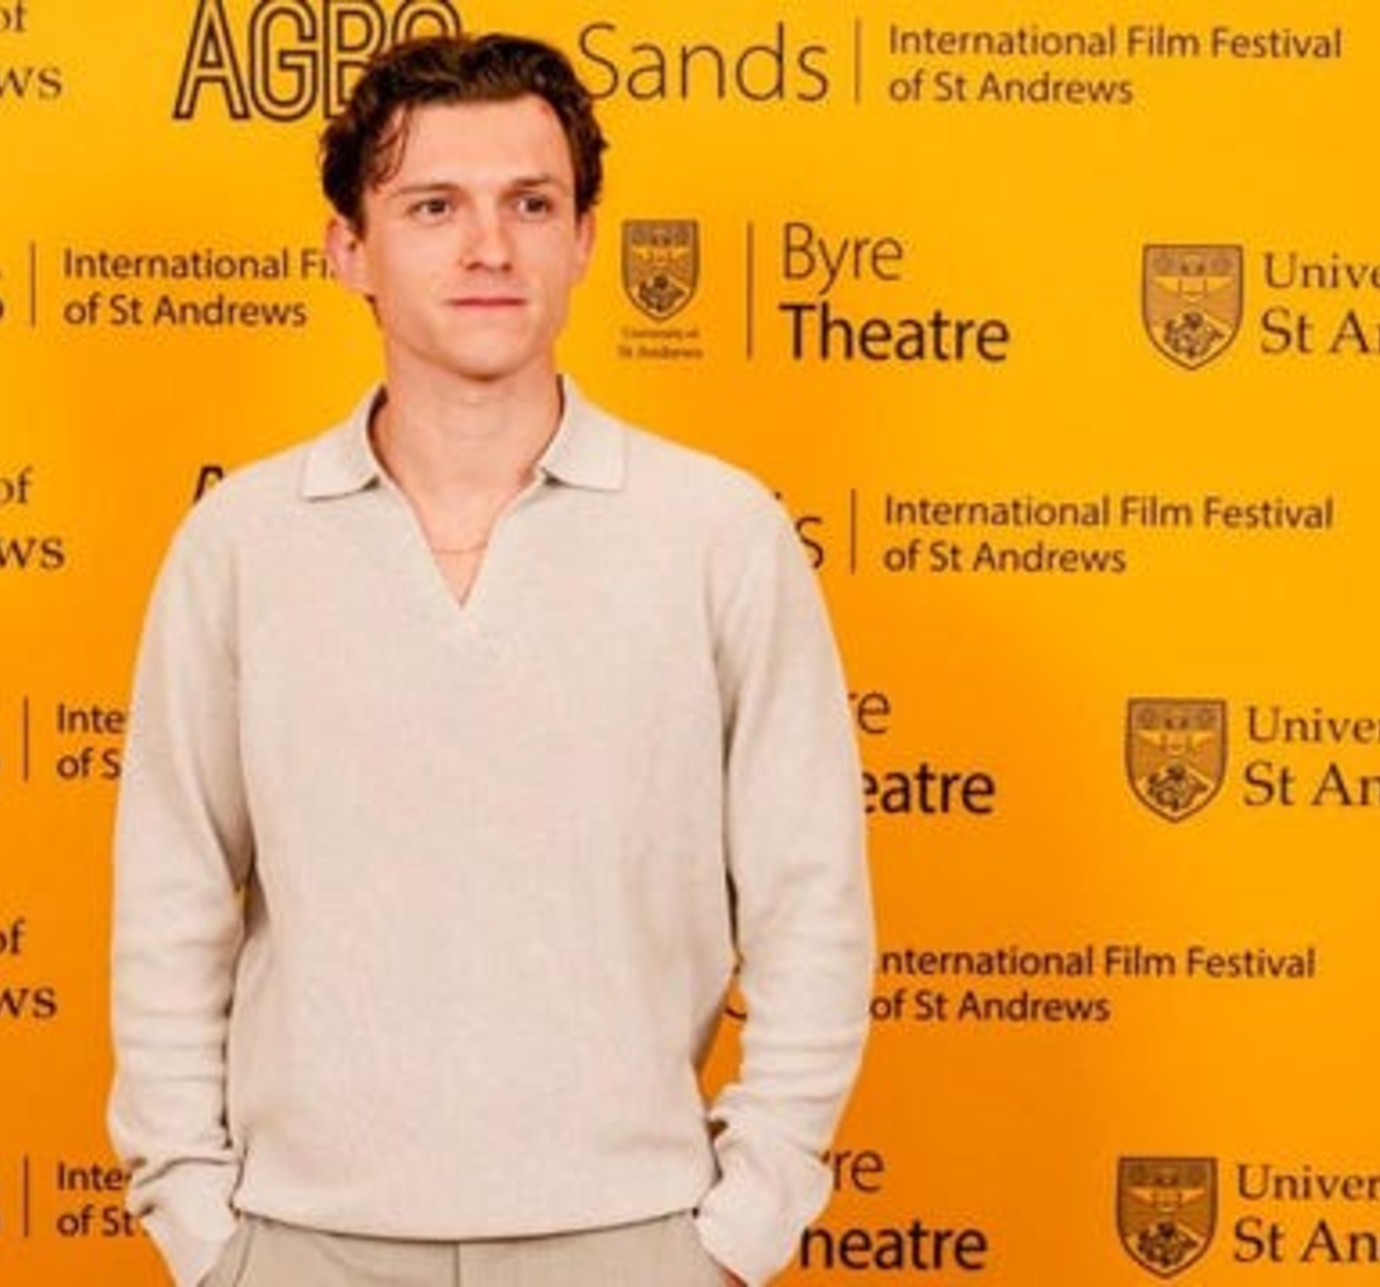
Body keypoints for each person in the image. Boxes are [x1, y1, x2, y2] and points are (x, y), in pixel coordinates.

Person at [108, 32, 873, 1287]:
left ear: (582, 240)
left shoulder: (718, 532)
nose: (489, 247)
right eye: (434, 207)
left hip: (635, 1242)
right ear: (349, 249)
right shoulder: (239, 543)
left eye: (530, 204)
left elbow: (813, 902)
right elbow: (171, 894)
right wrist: (201, 1227)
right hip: (300, 1245)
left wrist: (739, 1233)